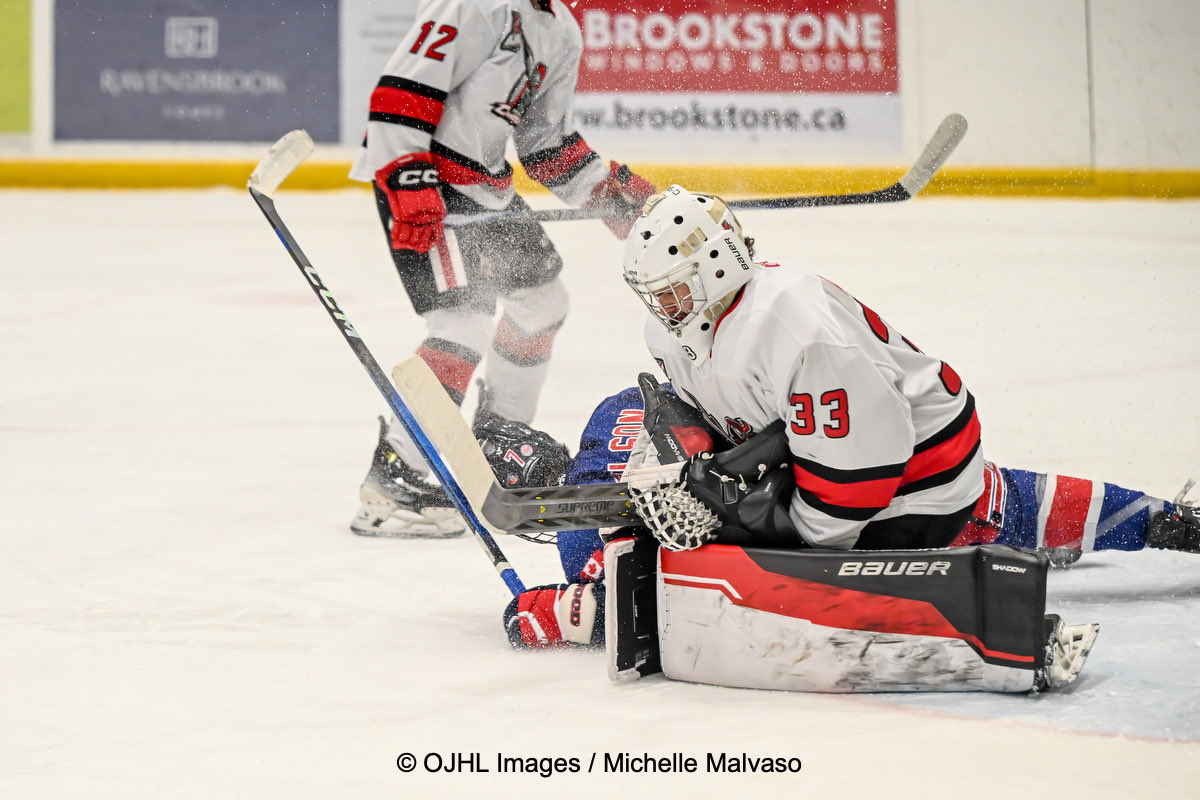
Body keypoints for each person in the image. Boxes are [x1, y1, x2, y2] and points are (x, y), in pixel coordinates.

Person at [501, 185, 1200, 649]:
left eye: (674, 292)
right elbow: (705, 403)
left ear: (714, 268)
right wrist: (696, 458)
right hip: (846, 447)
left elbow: (854, 490)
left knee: (983, 510)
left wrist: (764, 531)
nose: (664, 309)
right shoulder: (692, 321)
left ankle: (601, 596)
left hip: (911, 485)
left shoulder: (796, 330)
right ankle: (605, 568)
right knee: (627, 414)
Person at [347, 0, 655, 538]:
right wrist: (405, 178)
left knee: (543, 305)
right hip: (426, 181)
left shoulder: (561, 30)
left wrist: (610, 195)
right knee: (461, 325)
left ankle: (499, 443)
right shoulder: (474, 5)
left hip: (484, 186)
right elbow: (399, 92)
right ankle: (399, 468)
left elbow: (545, 145)